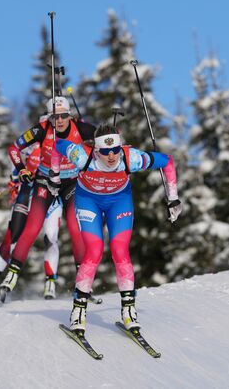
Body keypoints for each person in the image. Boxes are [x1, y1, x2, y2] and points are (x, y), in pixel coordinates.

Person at [54, 124, 182, 334]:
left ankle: (129, 311)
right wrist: (54, 175)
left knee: (119, 250)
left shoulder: (132, 158)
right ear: (96, 150)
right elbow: (57, 145)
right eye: (105, 152)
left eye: (115, 150)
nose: (111, 156)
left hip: (119, 202)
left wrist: (174, 197)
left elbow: (167, 161)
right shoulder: (81, 155)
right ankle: (78, 312)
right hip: (88, 201)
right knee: (94, 251)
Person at [0, 96, 95, 298]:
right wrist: (21, 169)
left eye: (64, 116)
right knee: (33, 226)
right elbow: (14, 148)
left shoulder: (81, 128)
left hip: (71, 182)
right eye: (55, 117)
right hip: (45, 180)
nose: (59, 121)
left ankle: (83, 282)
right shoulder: (41, 129)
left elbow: (108, 139)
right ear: (49, 118)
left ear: (70, 115)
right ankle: (12, 272)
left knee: (76, 227)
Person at [0, 131, 63, 299]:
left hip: (52, 197)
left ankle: (50, 283)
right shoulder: (31, 145)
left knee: (51, 236)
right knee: (12, 234)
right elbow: (15, 160)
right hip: (27, 193)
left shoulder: (63, 145)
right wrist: (14, 179)